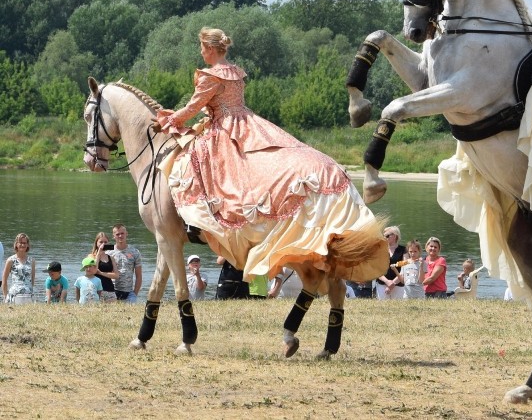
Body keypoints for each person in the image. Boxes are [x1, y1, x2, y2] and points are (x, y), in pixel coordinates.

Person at [154, 27, 386, 285]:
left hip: (223, 128)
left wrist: (169, 119)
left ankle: (201, 222)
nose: (200, 52)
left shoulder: (210, 76)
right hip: (247, 121)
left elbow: (193, 107)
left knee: (200, 163)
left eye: (201, 47)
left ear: (209, 49)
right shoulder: (235, 72)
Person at [108, 223, 142, 303]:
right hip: (111, 291)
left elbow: (139, 276)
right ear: (114, 236)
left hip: (129, 292)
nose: (120, 236)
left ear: (126, 234)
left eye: (122, 233)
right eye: (117, 234)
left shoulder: (135, 252)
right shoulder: (108, 251)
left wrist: (135, 293)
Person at [3, 233, 35, 304]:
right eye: (20, 242)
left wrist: (31, 292)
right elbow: (4, 280)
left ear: (27, 245)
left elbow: (32, 280)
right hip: (14, 295)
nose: (22, 245)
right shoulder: (10, 260)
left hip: (28, 295)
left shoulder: (32, 260)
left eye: (24, 243)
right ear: (16, 244)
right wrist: (6, 297)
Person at [376, 226, 407, 300]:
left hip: (398, 285)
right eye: (384, 236)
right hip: (382, 284)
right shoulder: (379, 250)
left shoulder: (404, 250)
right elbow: (376, 269)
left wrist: (393, 283)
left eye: (387, 236)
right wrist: (387, 282)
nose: (385, 238)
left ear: (395, 236)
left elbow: (404, 268)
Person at [91, 232, 119, 303]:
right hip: (96, 289)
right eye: (101, 242)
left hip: (109, 289)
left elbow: (116, 275)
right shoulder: (91, 256)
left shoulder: (111, 258)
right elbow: (94, 270)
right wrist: (98, 253)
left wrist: (101, 273)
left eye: (105, 242)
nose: (103, 244)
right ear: (96, 243)